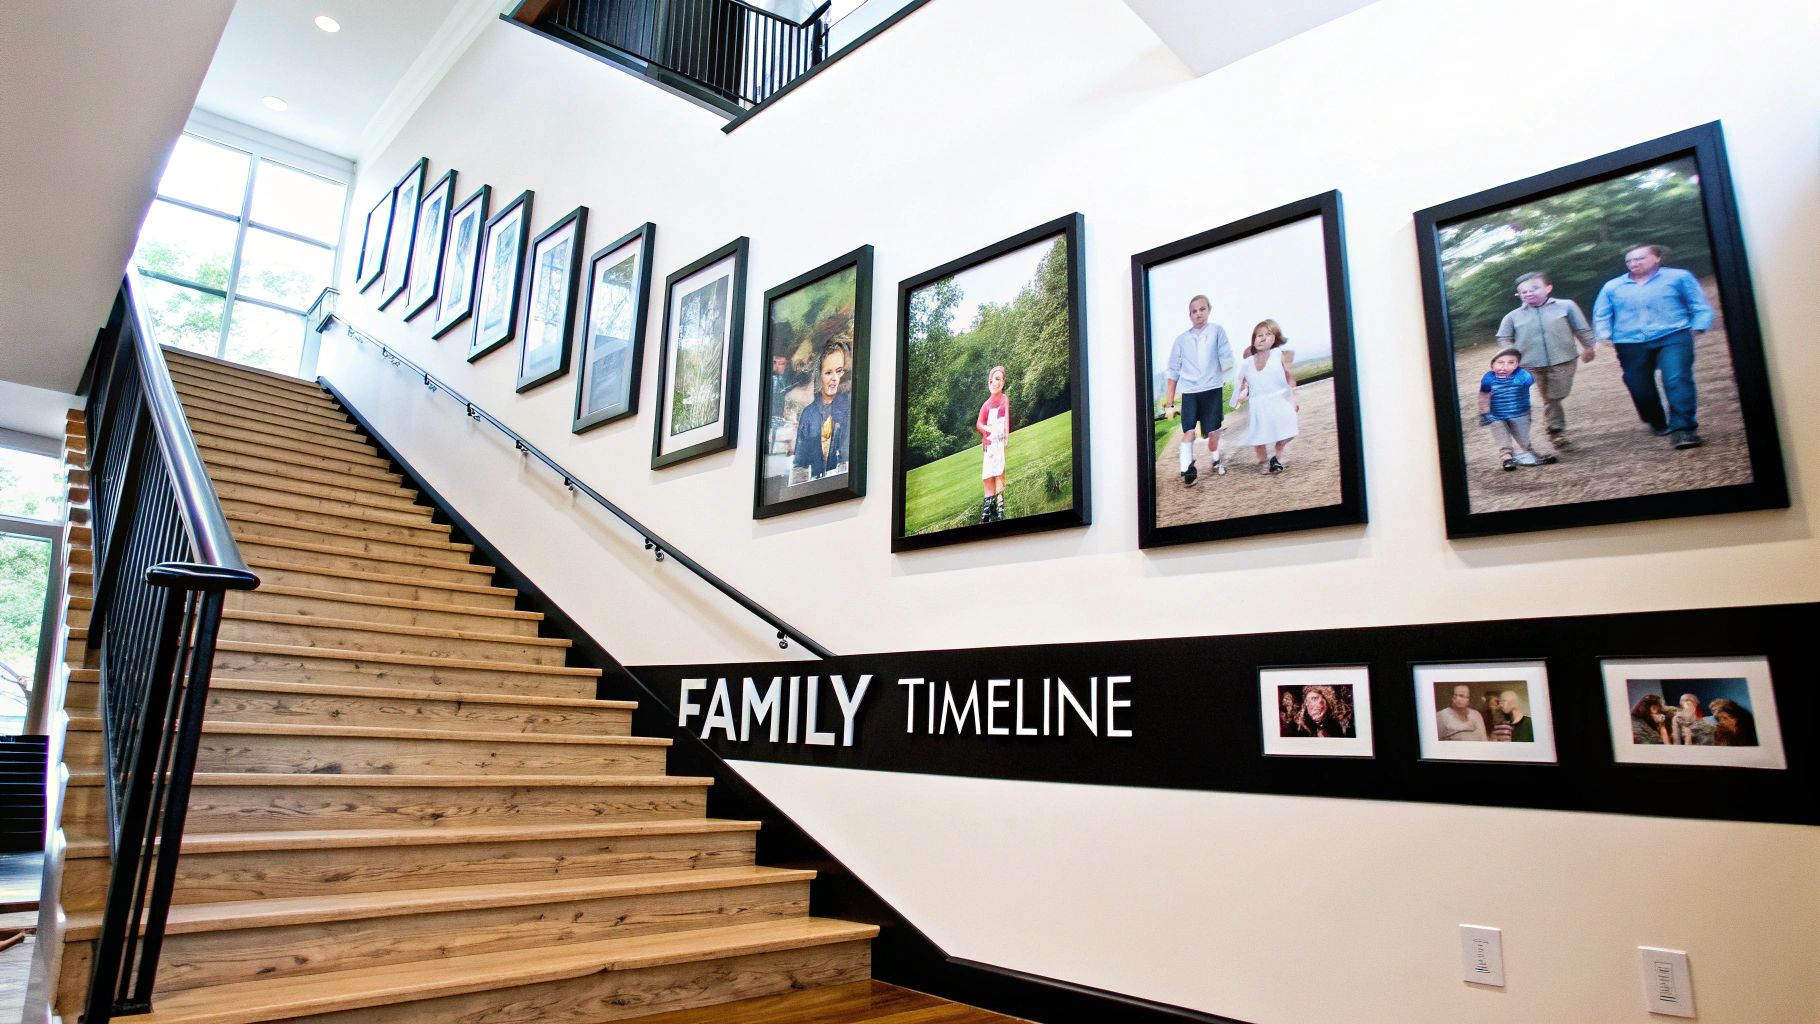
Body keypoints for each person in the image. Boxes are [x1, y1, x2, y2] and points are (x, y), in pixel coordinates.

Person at [1591, 243, 1714, 451]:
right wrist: (1604, 335)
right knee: (1639, 387)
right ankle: (1657, 421)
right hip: (1629, 341)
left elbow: (1698, 304)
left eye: (1639, 258)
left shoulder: (1679, 277)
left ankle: (1684, 430)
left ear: (1657, 258)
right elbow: (1602, 313)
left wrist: (1699, 326)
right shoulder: (1613, 286)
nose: (1633, 263)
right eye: (1629, 260)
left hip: (1673, 335)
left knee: (1676, 378)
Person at [1495, 272, 1596, 448]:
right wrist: (1510, 355)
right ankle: (1556, 431)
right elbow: (1504, 337)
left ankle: (1552, 421)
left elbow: (1581, 328)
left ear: (1548, 288)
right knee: (1549, 398)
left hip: (1563, 360)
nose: (1529, 293)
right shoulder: (1513, 316)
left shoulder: (1566, 306)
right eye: (1523, 292)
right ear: (1519, 295)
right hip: (1530, 364)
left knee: (1557, 394)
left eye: (1534, 288)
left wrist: (1589, 347)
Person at [1162, 295, 1233, 487]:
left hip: (1212, 389)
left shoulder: (1218, 331)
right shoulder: (1181, 340)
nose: (1198, 313)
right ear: (1189, 315)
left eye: (1202, 309)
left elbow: (1227, 360)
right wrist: (1169, 404)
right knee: (1189, 432)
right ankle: (1187, 469)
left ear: (1209, 310)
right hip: (1190, 392)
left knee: (1212, 432)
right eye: (1194, 311)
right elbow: (1173, 372)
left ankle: (1216, 459)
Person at [1231, 319, 1298, 475]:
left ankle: (1274, 458)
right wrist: (1237, 400)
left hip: (1278, 401)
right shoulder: (1247, 365)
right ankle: (1267, 461)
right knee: (1260, 436)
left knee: (1288, 432)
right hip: (1259, 405)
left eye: (1268, 335)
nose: (1262, 338)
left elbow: (1288, 377)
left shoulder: (1277, 356)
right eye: (1259, 335)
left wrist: (1293, 398)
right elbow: (1241, 385)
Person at [1478, 348, 1558, 471]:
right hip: (1496, 415)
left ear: (1517, 365)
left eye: (1511, 362)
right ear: (1492, 365)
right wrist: (1484, 412)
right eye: (1500, 362)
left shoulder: (1523, 376)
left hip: (1519, 413)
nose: (1504, 366)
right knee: (1502, 437)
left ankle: (1530, 453)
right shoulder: (1489, 378)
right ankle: (1507, 458)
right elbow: (1484, 395)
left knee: (1523, 439)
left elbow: (1536, 382)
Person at [790, 340, 851, 484]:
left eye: (839, 371)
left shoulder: (849, 406)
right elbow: (799, 462)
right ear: (819, 376)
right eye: (828, 372)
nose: (834, 379)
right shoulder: (808, 413)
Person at [977, 365, 1010, 523]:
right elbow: (979, 424)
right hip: (989, 445)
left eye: (998, 379)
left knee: (999, 473)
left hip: (998, 443)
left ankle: (1000, 508)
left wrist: (1005, 435)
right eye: (991, 379)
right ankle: (986, 512)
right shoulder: (985, 405)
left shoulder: (1004, 399)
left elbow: (1006, 419)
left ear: (1003, 382)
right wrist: (985, 432)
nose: (994, 382)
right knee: (988, 475)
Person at [767, 353, 793, 454]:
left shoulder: (780, 379)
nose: (783, 367)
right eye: (782, 364)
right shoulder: (774, 379)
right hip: (774, 419)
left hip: (778, 419)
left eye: (784, 364)